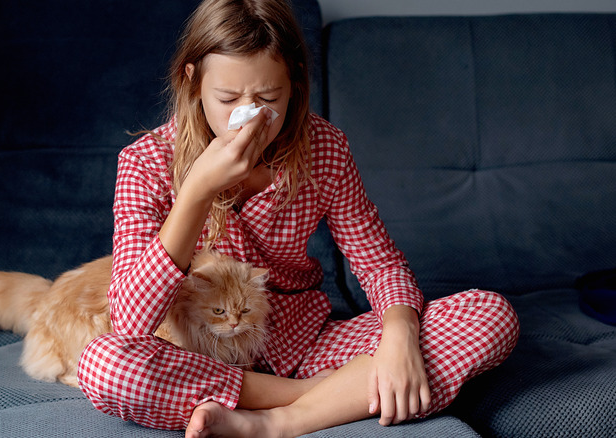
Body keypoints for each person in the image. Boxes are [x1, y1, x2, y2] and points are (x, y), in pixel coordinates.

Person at [77, 0, 520, 437]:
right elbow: (131, 322)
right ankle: (325, 395)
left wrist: (400, 337)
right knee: (105, 365)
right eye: (227, 98)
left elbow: (379, 264)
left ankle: (280, 420)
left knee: (489, 316)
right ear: (192, 82)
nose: (247, 116)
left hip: (303, 340)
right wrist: (196, 192)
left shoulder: (324, 148)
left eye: (269, 98)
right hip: (203, 352)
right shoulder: (146, 162)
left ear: (294, 84)